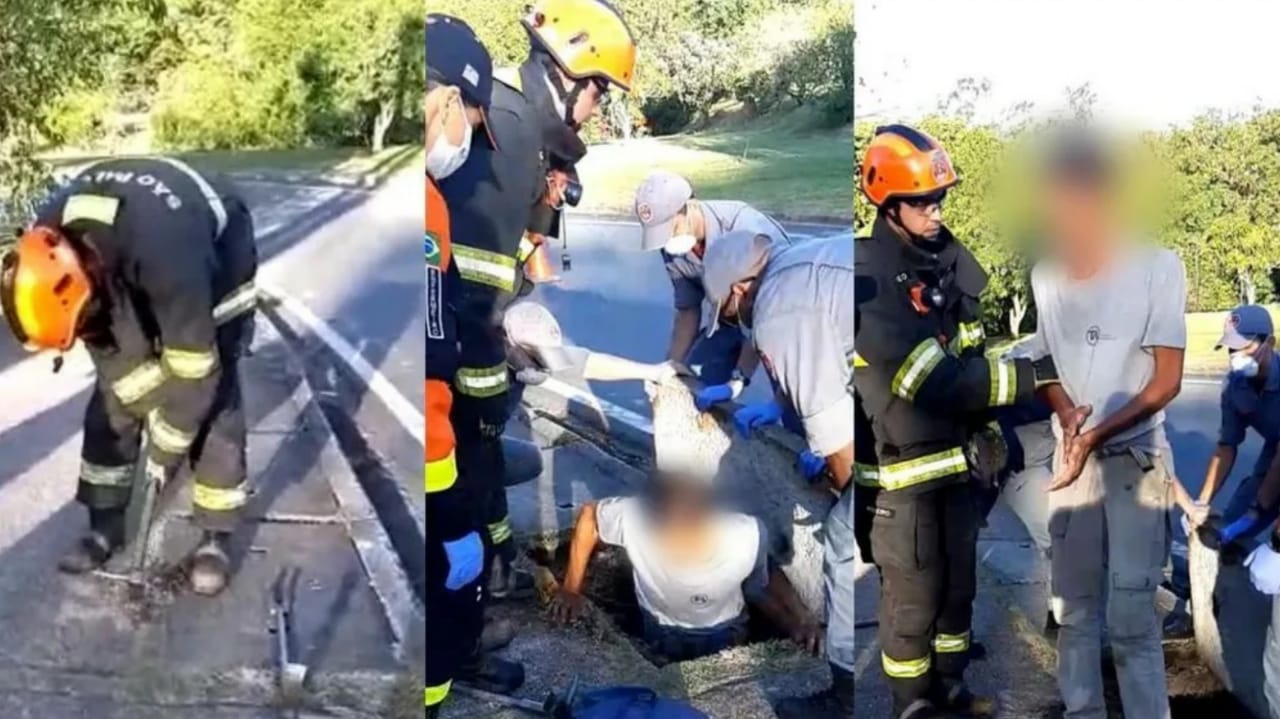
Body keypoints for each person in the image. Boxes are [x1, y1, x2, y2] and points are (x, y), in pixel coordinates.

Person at [854, 124, 1060, 719]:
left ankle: (950, 689)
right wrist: (1033, 378)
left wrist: (992, 430)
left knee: (957, 599)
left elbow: (972, 353)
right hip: (907, 480)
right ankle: (911, 704)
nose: (935, 210)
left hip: (960, 472)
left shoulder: (943, 267)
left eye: (939, 198)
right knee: (912, 607)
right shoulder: (870, 282)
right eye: (922, 201)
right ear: (889, 204)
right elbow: (935, 382)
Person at [438, 0, 637, 602]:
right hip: (452, 360)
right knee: (465, 476)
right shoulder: (512, 130)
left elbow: (521, 268)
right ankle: (474, 601)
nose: (598, 108)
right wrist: (487, 388)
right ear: (572, 74)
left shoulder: (526, 130)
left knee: (479, 477)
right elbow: (472, 285)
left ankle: (495, 573)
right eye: (600, 91)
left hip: (469, 346)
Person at [0, 157, 258, 596]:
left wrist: (165, 448)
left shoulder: (171, 254)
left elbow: (195, 370)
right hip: (115, 259)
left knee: (214, 402)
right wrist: (137, 395)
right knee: (112, 402)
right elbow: (112, 356)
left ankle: (215, 537)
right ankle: (104, 526)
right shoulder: (46, 243)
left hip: (216, 255)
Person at [1019, 127, 1202, 719]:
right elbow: (1044, 361)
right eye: (1055, 196)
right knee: (1073, 614)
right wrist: (1066, 414)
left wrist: (1095, 433)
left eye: (1076, 195)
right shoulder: (1046, 275)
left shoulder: (1155, 266)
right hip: (1072, 465)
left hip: (1136, 464)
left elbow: (1166, 380)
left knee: (1131, 622)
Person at [697, 229, 855, 717]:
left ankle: (846, 693)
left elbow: (838, 439)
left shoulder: (778, 311)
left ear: (741, 291)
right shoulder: (798, 261)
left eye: (728, 313)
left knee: (845, 536)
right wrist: (782, 412)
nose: (735, 325)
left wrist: (845, 487)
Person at [423, 15, 525, 710]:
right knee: (446, 568)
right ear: (451, 102)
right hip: (430, 448)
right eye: (472, 121)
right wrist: (454, 507)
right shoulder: (427, 207)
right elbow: (433, 359)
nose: (468, 144)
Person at [549, 471, 822, 663]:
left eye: (685, 535)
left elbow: (765, 576)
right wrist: (571, 589)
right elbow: (590, 516)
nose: (677, 549)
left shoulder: (744, 535)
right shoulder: (634, 519)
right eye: (666, 535)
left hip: (724, 632)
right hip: (658, 627)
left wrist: (800, 619)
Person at [630, 171, 793, 420]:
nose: (667, 240)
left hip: (780, 316)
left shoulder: (746, 228)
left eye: (670, 228)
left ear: (688, 206)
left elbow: (775, 311)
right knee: (688, 386)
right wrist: (668, 369)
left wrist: (740, 377)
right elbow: (687, 310)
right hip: (727, 319)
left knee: (797, 401)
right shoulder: (671, 247)